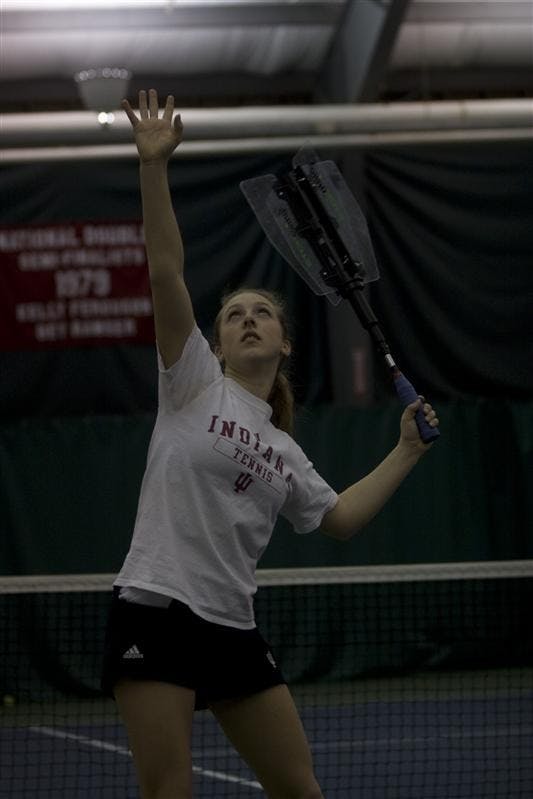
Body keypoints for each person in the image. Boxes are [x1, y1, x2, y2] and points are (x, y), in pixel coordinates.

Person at [101, 89, 440, 799]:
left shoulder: (282, 449)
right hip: (157, 608)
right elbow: (165, 270)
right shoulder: (190, 382)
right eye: (233, 316)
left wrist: (405, 449)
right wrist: (152, 167)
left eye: (262, 314)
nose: (248, 320)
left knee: (300, 789)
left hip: (232, 624)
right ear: (217, 343)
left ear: (284, 343)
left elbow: (339, 518)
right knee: (168, 791)